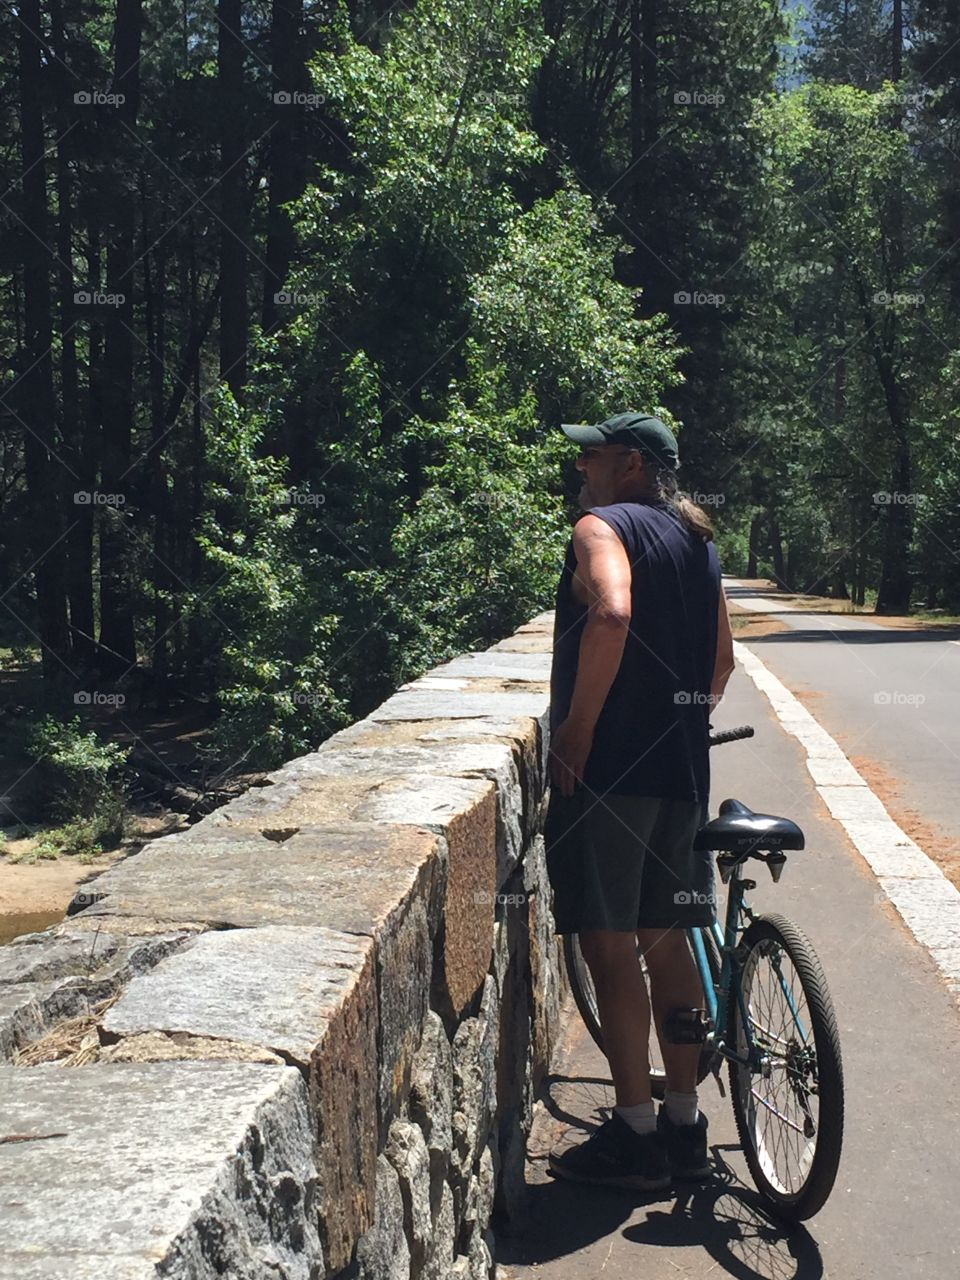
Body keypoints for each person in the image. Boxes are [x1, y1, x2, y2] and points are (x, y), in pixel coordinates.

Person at [545, 410, 735, 1192]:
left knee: (609, 943)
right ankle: (685, 1127)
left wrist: (579, 730)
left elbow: (612, 613)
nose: (579, 468)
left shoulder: (600, 526)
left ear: (627, 465)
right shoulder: (700, 543)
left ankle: (633, 1135)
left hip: (611, 775)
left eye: (591, 456)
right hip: (682, 777)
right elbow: (721, 663)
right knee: (671, 942)